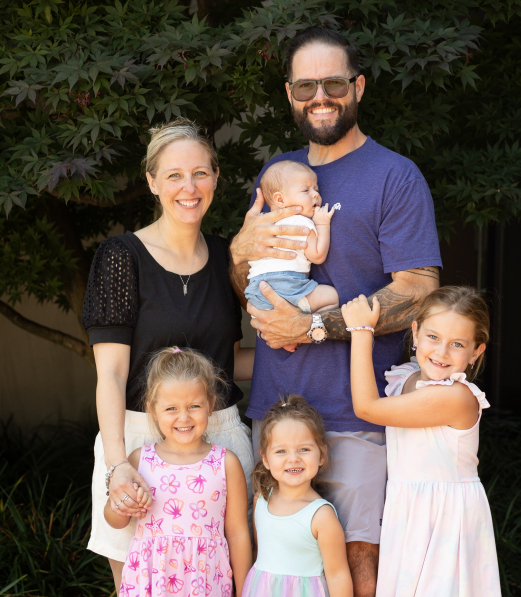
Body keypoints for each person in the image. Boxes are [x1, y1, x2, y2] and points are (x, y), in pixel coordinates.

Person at [229, 27, 442, 596]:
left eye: (333, 83)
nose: (319, 96)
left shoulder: (395, 176)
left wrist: (315, 325)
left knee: (357, 564)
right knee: (277, 565)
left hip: (357, 414)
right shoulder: (277, 176)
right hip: (274, 413)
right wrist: (237, 251)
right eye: (306, 86)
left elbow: (418, 289)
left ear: (358, 87)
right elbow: (246, 276)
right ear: (289, 93)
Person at [81, 117, 255, 593]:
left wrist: (314, 346)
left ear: (216, 177)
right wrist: (120, 465)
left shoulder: (226, 258)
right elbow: (112, 375)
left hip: (219, 438)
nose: (189, 187)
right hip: (138, 439)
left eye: (201, 172)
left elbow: (228, 361)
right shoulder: (121, 257)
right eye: (174, 175)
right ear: (152, 181)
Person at [341, 287, 502, 597]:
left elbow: (367, 408)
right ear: (415, 332)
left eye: (457, 344)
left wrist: (361, 331)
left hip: (443, 519)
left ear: (476, 352)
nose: (441, 353)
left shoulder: (456, 397)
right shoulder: (407, 377)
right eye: (433, 337)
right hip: (409, 512)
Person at [105, 347, 252, 597]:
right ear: (153, 409)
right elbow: (115, 521)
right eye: (171, 408)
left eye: (194, 405)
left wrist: (244, 590)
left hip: (206, 580)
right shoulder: (140, 460)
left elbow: (238, 533)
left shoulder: (225, 463)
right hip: (150, 579)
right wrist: (123, 504)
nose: (183, 417)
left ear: (211, 405)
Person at [241, 395, 352, 597]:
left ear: (322, 455)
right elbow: (259, 552)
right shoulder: (261, 500)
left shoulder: (321, 516)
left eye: (304, 449)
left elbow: (338, 575)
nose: (293, 459)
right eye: (281, 451)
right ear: (265, 458)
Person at [245, 160, 339, 317]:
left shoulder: (260, 224)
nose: (315, 194)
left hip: (257, 293)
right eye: (305, 190)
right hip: (289, 288)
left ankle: (289, 341)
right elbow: (317, 256)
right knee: (332, 297)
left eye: (316, 189)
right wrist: (323, 225)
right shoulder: (301, 222)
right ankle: (305, 323)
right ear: (280, 200)